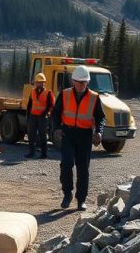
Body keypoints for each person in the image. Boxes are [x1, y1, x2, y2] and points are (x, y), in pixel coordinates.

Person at [50, 65, 106, 211]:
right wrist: (56, 128)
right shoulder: (64, 94)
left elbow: (101, 117)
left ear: (87, 82)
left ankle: (81, 200)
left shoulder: (94, 97)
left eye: (84, 82)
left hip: (85, 136)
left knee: (83, 169)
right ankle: (67, 194)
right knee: (66, 164)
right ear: (73, 81)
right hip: (68, 134)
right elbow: (55, 113)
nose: (81, 85)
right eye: (79, 82)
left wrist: (99, 132)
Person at [25, 72, 54, 159]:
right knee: (31, 135)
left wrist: (46, 113)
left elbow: (51, 105)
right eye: (37, 82)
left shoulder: (48, 92)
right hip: (33, 116)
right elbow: (30, 104)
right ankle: (31, 152)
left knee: (43, 135)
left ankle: (44, 154)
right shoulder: (32, 91)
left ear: (43, 83)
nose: (38, 84)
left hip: (42, 117)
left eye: (40, 82)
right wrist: (28, 115)